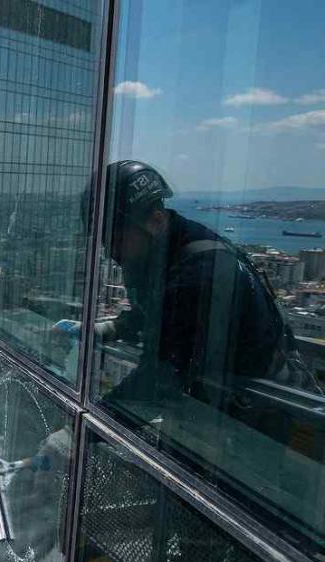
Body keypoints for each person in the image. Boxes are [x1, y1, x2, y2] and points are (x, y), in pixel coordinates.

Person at [55, 160, 318, 429]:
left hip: (255, 417)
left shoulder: (200, 272)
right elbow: (158, 313)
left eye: (117, 239)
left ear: (155, 221)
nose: (110, 251)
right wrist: (112, 328)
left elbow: (156, 380)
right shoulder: (159, 253)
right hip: (218, 402)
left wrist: (77, 435)